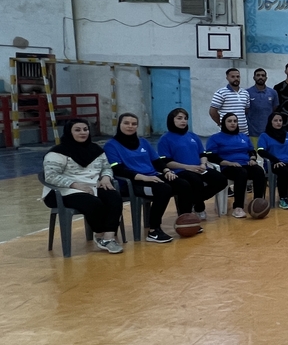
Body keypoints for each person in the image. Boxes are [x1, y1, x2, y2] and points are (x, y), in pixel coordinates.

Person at [104, 112, 193, 243]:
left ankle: (186, 221)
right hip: (132, 184)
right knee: (163, 189)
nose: (130, 126)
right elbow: (118, 169)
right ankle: (153, 230)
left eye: (134, 124)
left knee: (182, 184)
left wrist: (166, 171)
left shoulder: (143, 142)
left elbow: (156, 161)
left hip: (152, 177)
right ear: (119, 125)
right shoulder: (111, 145)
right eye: (126, 123)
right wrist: (143, 177)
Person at [41, 118, 125, 253]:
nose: (83, 132)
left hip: (92, 186)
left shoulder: (96, 149)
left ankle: (108, 238)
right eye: (77, 130)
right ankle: (100, 234)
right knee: (93, 203)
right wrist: (75, 185)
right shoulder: (57, 152)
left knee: (114, 197)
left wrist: (106, 177)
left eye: (85, 129)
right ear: (69, 132)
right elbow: (51, 176)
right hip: (63, 191)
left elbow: (106, 167)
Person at [156, 108, 228, 221]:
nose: (183, 121)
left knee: (221, 180)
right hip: (181, 171)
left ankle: (193, 201)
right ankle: (199, 208)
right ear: (171, 120)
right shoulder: (165, 139)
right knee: (195, 181)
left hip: (199, 168)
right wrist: (188, 167)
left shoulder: (193, 136)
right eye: (179, 118)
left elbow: (202, 154)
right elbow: (166, 162)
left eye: (185, 118)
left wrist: (203, 164)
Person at [205, 113, 265, 218]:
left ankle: (257, 203)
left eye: (235, 121)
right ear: (223, 123)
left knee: (259, 171)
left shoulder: (243, 137)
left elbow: (251, 151)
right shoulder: (215, 138)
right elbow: (211, 156)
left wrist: (252, 159)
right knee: (241, 173)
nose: (233, 123)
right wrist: (227, 163)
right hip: (227, 167)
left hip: (245, 164)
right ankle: (238, 207)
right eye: (229, 121)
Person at [209, 68, 250, 134]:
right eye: (232, 77)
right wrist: (221, 124)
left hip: (244, 132)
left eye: (238, 76)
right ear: (227, 78)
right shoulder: (220, 93)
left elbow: (246, 111)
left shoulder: (245, 93)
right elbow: (212, 112)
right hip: (227, 133)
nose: (236, 78)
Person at [246, 68, 279, 139]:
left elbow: (274, 109)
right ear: (254, 78)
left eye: (263, 75)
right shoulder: (247, 92)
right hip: (252, 132)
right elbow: (246, 110)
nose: (260, 77)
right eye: (258, 75)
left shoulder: (273, 92)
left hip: (269, 132)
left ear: (266, 78)